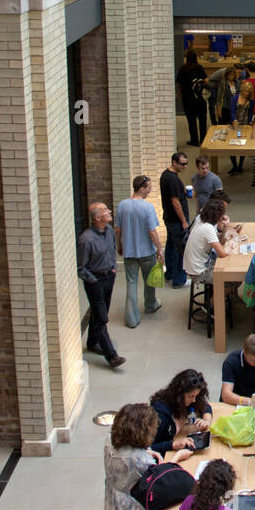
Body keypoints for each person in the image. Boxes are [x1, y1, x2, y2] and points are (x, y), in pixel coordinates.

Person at [103, 403, 171, 510]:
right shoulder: (140, 461)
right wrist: (165, 458)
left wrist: (147, 452)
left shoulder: (109, 442)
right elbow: (162, 479)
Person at [77, 202, 125, 370]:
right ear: (97, 218)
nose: (109, 211)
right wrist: (93, 280)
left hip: (108, 277)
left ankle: (91, 342)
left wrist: (113, 268)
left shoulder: (110, 230)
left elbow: (111, 249)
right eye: (105, 210)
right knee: (101, 318)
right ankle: (111, 356)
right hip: (95, 282)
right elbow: (80, 268)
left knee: (98, 313)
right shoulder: (86, 240)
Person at [115, 176, 164, 328]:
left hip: (129, 251)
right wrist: (159, 248)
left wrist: (119, 245)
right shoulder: (147, 207)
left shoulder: (122, 205)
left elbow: (117, 229)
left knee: (131, 283)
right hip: (146, 252)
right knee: (149, 280)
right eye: (148, 187)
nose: (150, 190)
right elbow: (152, 231)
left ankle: (131, 318)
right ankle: (150, 304)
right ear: (141, 188)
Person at [150, 368, 213, 457]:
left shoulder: (187, 401)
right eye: (191, 396)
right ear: (179, 394)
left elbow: (206, 407)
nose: (194, 400)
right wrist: (173, 445)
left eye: (196, 396)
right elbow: (148, 449)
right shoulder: (160, 416)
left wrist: (206, 421)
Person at [183, 197, 239, 284]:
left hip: (198, 265)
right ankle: (216, 297)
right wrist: (233, 244)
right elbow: (222, 253)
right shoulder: (207, 228)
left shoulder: (203, 221)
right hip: (199, 272)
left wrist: (226, 226)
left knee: (231, 269)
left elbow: (220, 241)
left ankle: (230, 295)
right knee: (234, 277)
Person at [160, 152, 190, 287]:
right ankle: (179, 280)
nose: (185, 166)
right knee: (180, 249)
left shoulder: (167, 175)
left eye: (186, 164)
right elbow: (175, 202)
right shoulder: (171, 179)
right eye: (182, 164)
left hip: (169, 218)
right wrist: (184, 221)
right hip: (176, 220)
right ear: (174, 162)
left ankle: (170, 274)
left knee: (171, 245)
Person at [176, 48, 208, 148]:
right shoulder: (199, 67)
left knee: (191, 120)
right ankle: (203, 139)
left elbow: (179, 83)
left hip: (187, 98)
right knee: (202, 120)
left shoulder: (183, 68)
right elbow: (206, 80)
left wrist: (180, 94)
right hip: (199, 98)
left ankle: (194, 140)